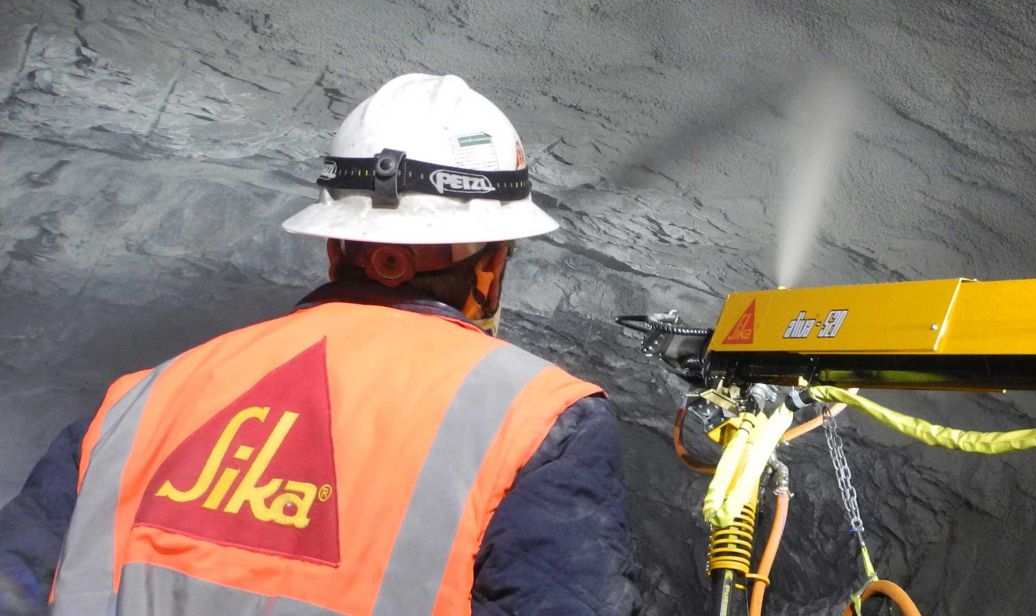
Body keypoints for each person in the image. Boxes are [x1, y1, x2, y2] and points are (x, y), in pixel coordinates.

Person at [0, 74, 640, 615]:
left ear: (337, 245)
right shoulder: (541, 422)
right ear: (491, 268)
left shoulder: (138, 401)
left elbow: (16, 580)